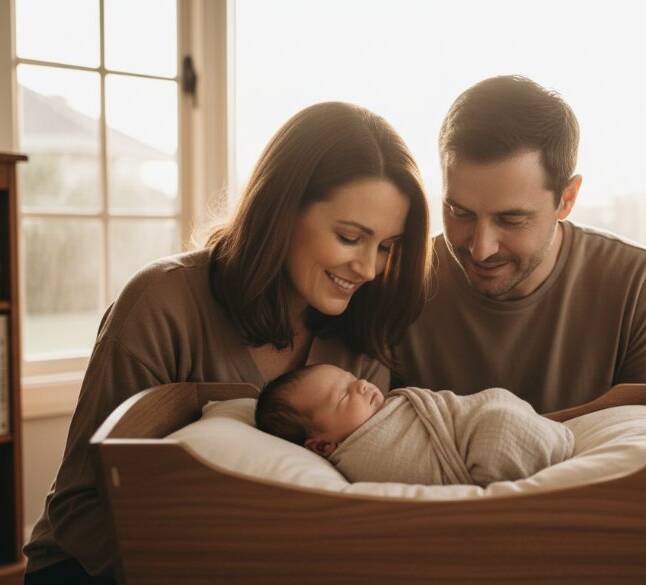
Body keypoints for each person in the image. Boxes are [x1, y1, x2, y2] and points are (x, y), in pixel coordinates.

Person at [390, 75, 646, 585]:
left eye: (511, 219)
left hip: (600, 523)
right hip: (437, 524)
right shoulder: (401, 278)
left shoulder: (635, 279)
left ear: (567, 198)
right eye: (460, 212)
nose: (480, 247)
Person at [23, 102, 431, 584]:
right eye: (349, 237)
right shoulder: (161, 304)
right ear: (282, 211)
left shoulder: (364, 334)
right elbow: (80, 505)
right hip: (95, 567)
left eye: (386, 247)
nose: (368, 268)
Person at [255, 363, 574, 486]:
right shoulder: (362, 457)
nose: (362, 385)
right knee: (500, 425)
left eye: (352, 379)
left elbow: (453, 413)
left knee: (496, 408)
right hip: (488, 433)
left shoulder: (386, 410)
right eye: (342, 396)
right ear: (322, 445)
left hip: (476, 417)